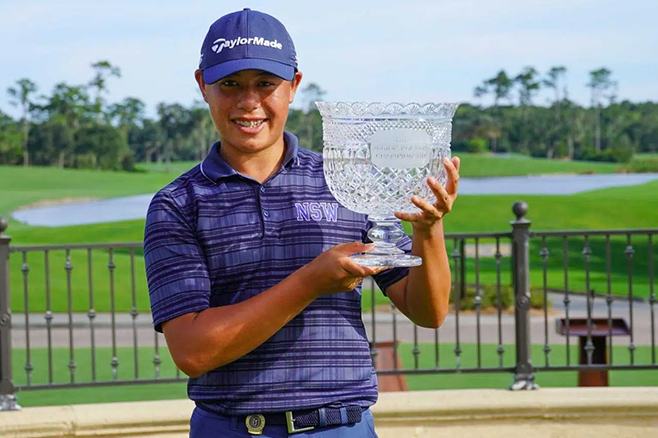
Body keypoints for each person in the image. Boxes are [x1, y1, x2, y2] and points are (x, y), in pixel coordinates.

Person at [144, 8, 461, 438]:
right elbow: (192, 352)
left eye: (265, 84)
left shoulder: (345, 181)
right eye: (230, 84)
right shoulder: (178, 204)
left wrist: (428, 229)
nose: (248, 102)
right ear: (203, 86)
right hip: (234, 428)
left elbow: (428, 311)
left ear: (293, 86)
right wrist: (311, 280)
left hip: (341, 426)